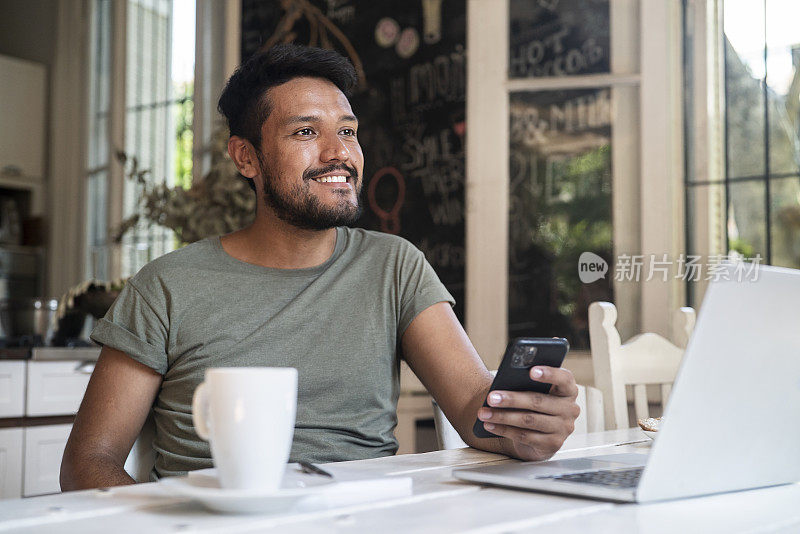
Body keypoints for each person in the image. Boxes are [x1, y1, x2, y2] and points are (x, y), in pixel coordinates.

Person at [60, 44, 579, 490]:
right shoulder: (166, 287)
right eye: (306, 132)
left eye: (348, 132)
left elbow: (472, 406)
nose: (339, 154)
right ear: (246, 157)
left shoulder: (393, 265)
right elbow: (89, 464)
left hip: (362, 518)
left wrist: (524, 429)